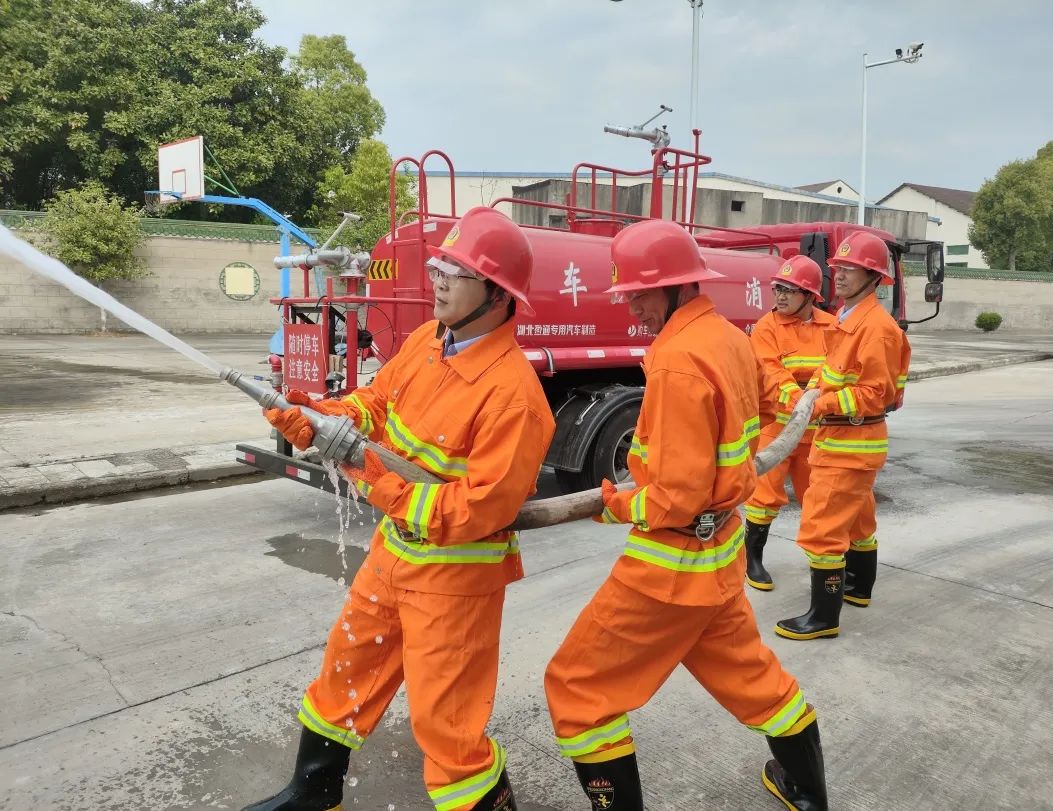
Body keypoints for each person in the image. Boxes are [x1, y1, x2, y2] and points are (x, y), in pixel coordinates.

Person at [249, 207, 556, 811]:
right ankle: (314, 791)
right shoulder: (426, 343)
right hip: (394, 555)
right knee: (346, 669)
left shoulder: (515, 398)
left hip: (456, 580)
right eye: (439, 265)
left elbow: (478, 510)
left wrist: (378, 483)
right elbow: (375, 404)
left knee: (448, 726)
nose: (437, 280)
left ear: (497, 294)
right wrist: (320, 416)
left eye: (455, 272)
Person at [544, 220, 828, 811]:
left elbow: (675, 497)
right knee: (754, 679)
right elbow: (748, 426)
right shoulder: (728, 337)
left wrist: (618, 503)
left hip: (668, 568)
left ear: (679, 286)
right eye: (628, 295)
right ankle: (807, 791)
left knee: (577, 688)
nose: (633, 309)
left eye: (642, 295)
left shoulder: (676, 361)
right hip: (717, 557)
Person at [774, 231, 911, 641]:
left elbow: (876, 393)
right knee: (858, 519)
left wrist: (821, 404)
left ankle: (823, 616)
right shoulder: (848, 320)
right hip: (846, 442)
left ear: (875, 277)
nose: (842, 275)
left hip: (850, 443)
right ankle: (858, 589)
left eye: (853, 269)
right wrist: (813, 389)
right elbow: (832, 369)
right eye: (839, 268)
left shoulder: (875, 328)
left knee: (822, 526)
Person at [743, 256, 836, 591]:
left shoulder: (832, 327)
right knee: (764, 496)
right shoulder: (766, 327)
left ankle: (822, 566)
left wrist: (813, 395)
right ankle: (752, 559)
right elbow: (771, 373)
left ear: (810, 295)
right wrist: (802, 399)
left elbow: (834, 369)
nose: (780, 296)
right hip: (776, 429)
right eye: (777, 288)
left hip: (817, 431)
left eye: (789, 290)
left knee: (816, 498)